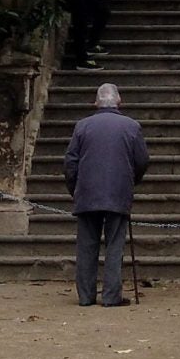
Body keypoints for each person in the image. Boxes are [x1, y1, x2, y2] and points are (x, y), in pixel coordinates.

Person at [63, 82, 150, 306]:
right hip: (118, 192)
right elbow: (141, 161)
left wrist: (75, 188)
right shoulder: (132, 126)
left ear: (96, 102)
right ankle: (112, 296)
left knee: (86, 246)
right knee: (115, 245)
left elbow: (70, 162)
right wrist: (132, 182)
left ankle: (85, 296)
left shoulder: (82, 126)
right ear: (119, 101)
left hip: (88, 192)